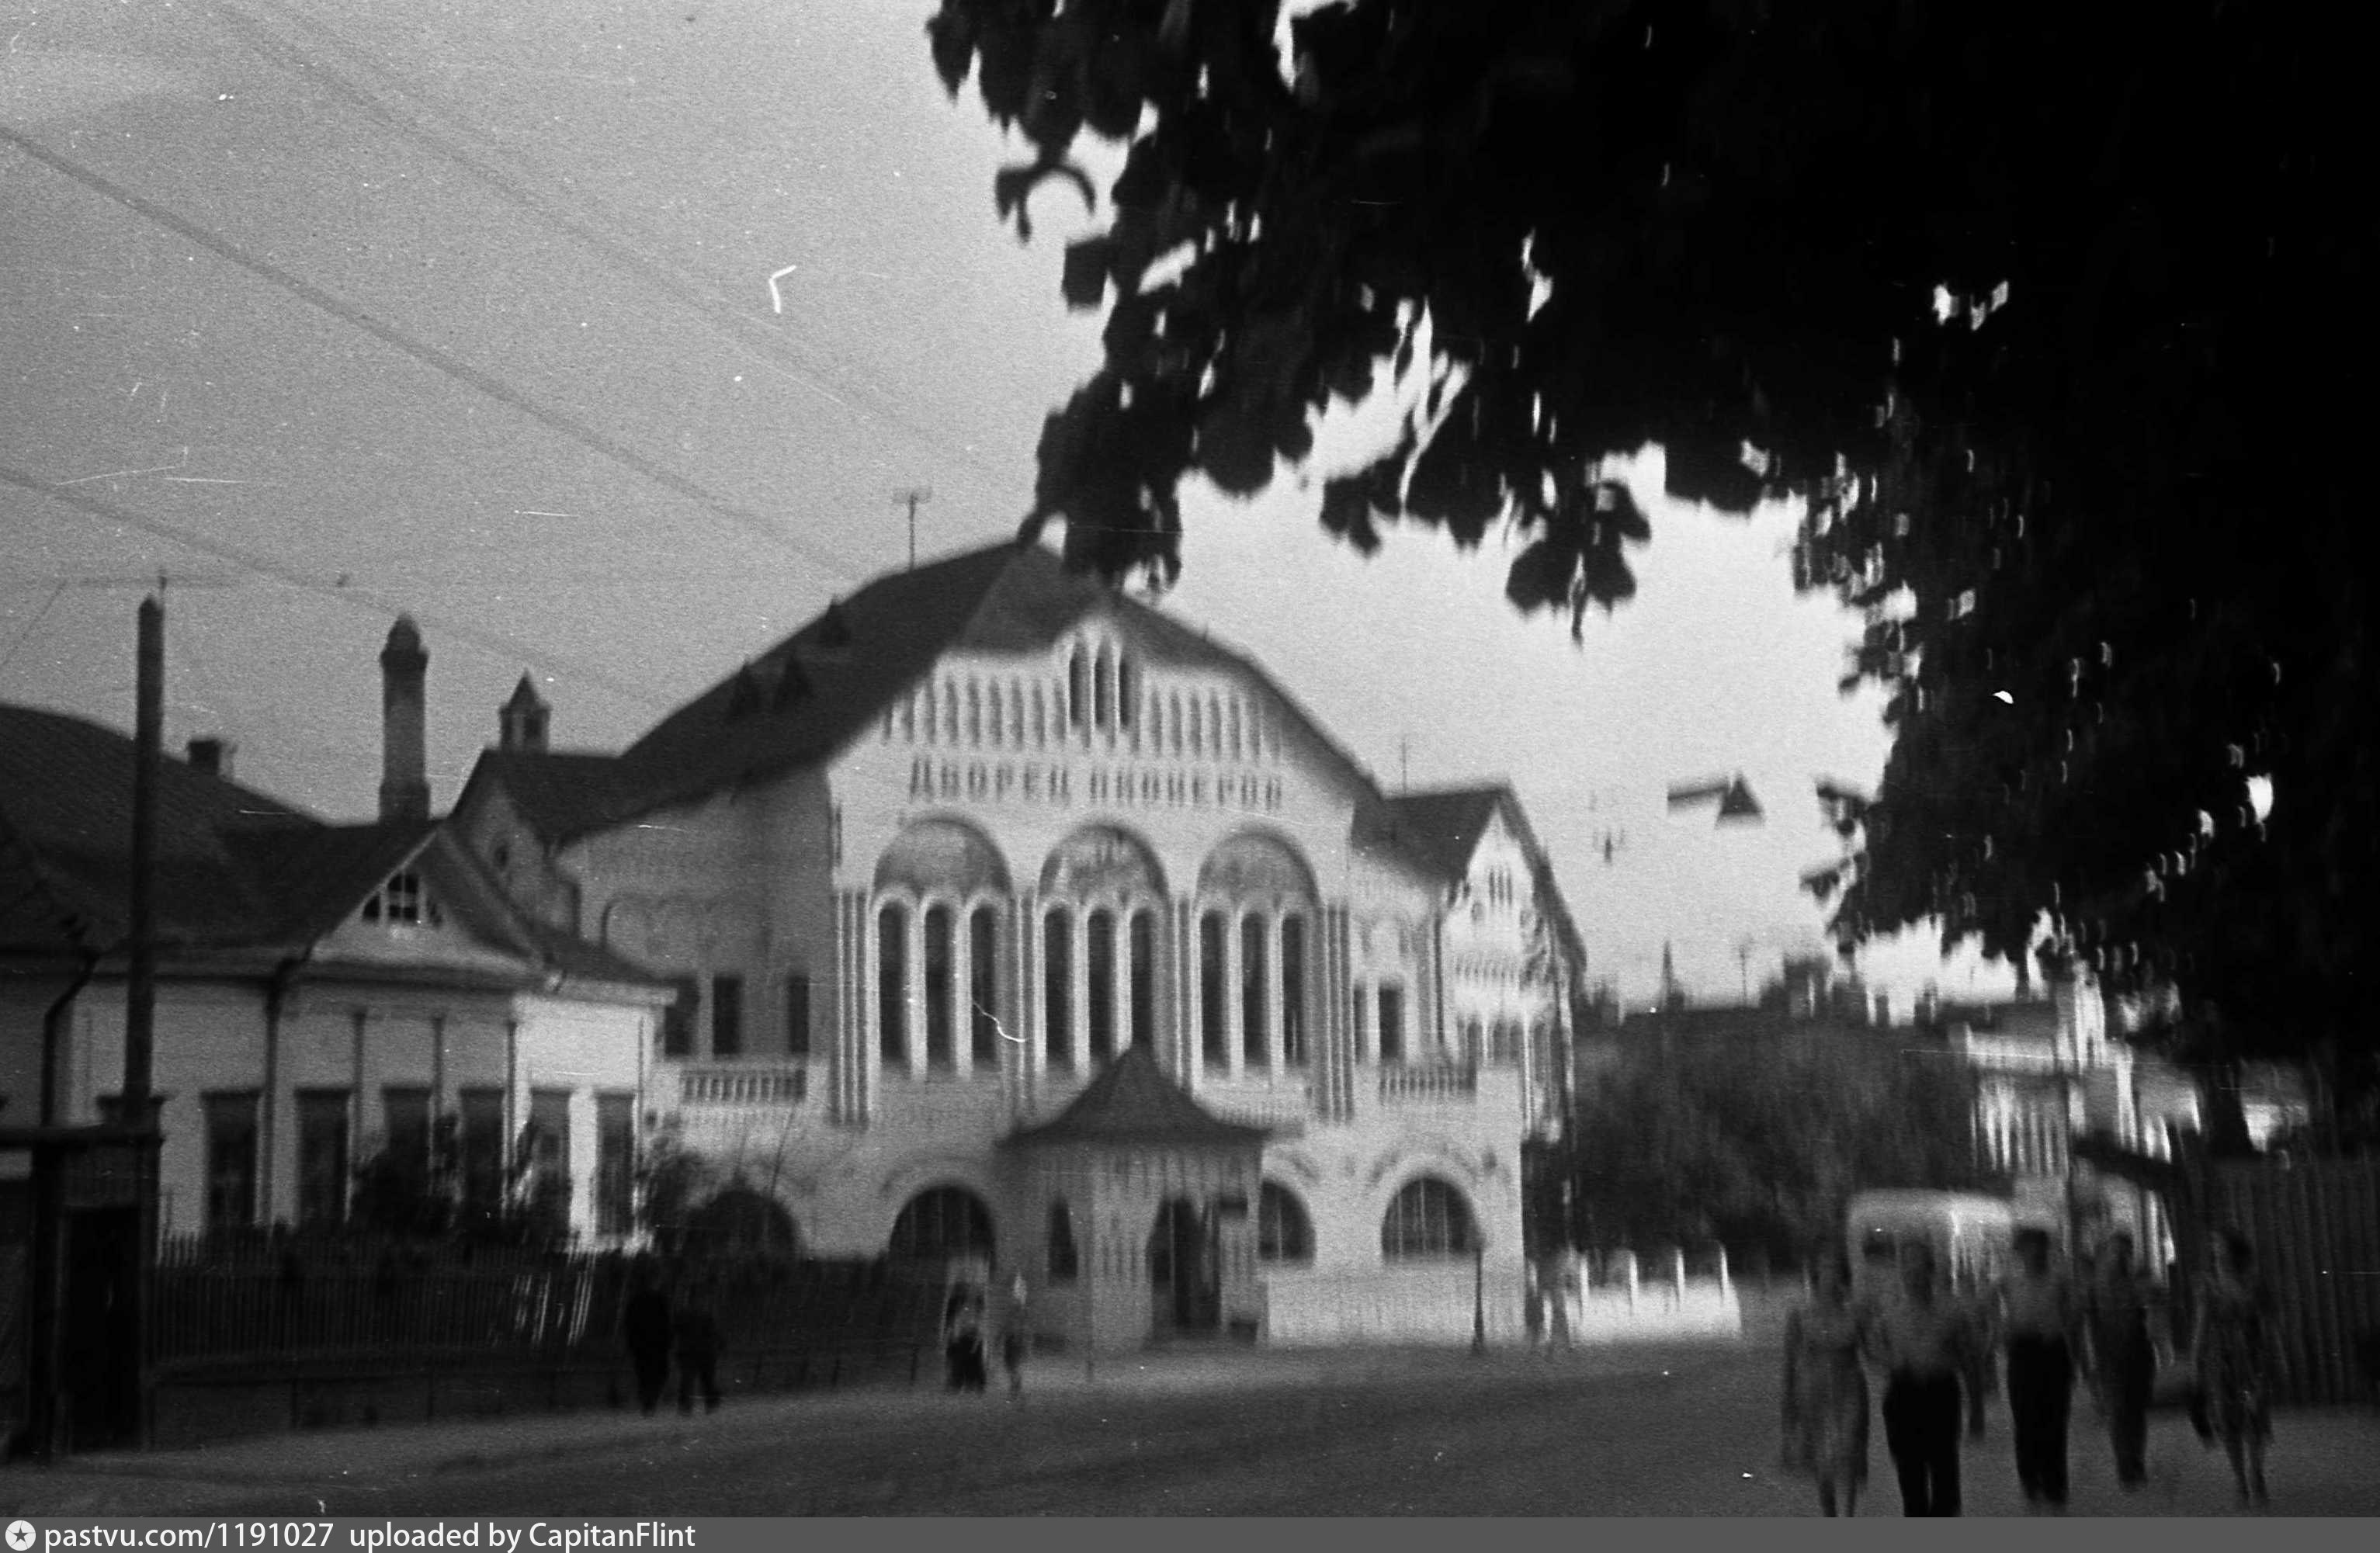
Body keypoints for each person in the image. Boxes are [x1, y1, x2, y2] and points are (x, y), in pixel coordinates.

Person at [1864, 1241, 1989, 1516]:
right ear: (1901, 1271)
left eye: (1920, 1263)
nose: (1914, 1270)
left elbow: (1970, 1357)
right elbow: (1872, 1350)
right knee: (1909, 1469)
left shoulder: (1952, 1312)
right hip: (1903, 1394)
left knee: (1944, 1465)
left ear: (1931, 1270)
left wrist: (1977, 1408)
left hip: (1940, 1393)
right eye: (1908, 1263)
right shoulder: (1888, 1314)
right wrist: (1889, 1362)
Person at [1994, 1227, 2085, 1512]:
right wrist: (2002, 1332)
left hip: (2052, 1351)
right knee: (2025, 1418)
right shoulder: (2008, 1280)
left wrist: (2072, 1347)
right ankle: (2030, 1477)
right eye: (2028, 1248)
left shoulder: (2062, 1279)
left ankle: (2055, 1482)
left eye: (2039, 1247)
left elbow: (2074, 1315)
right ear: (2019, 1252)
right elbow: (1988, 1308)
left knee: (2055, 1418)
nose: (2034, 1253)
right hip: (2023, 1351)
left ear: (2047, 1249)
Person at [1779, 1246, 1870, 1517]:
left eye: (1834, 1269)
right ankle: (1829, 1513)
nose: (1829, 1274)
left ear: (1842, 1276)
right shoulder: (1799, 1315)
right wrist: (1788, 1399)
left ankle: (1850, 1512)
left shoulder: (1855, 1313)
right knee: (1822, 1456)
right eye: (1823, 1268)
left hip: (1849, 1387)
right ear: (1815, 1275)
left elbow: (1874, 1350)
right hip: (1812, 1389)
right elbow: (1789, 1359)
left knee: (1850, 1446)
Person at [2192, 1229, 2278, 1506]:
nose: (2217, 1250)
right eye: (2214, 1245)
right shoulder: (2208, 1283)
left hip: (2253, 1358)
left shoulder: (2255, 1283)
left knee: (2255, 1418)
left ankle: (2256, 1473)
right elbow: (2202, 1325)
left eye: (2222, 1245)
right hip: (2221, 1361)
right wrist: (2196, 1360)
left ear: (2235, 1250)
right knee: (2229, 1424)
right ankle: (2239, 1479)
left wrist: (2274, 1355)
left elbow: (2268, 1325)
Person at [2084, 1230, 2160, 1490]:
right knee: (2118, 1411)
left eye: (2124, 1251)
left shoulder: (2139, 1282)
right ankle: (2125, 1465)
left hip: (2138, 1353)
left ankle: (2136, 1460)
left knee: (2136, 1411)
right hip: (2110, 1355)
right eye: (2115, 1251)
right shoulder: (2095, 1287)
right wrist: (2091, 1359)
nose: (2119, 1257)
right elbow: (2088, 1324)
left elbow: (2153, 1314)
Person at [620, 1260, 674, 1416]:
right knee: (658, 1372)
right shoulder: (659, 1299)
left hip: (641, 1342)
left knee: (644, 1372)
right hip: (657, 1342)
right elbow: (666, 1321)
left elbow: (629, 1321)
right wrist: (668, 1340)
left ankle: (647, 1401)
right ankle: (650, 1401)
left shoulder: (636, 1299)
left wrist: (630, 1340)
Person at [673, 1277, 723, 1415]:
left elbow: (676, 1330)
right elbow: (713, 1332)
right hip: (704, 1351)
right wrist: (720, 1345)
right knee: (707, 1379)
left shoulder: (683, 1313)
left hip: (688, 1351)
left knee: (687, 1380)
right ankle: (710, 1404)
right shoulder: (705, 1313)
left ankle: (686, 1406)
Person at [944, 1285, 988, 1393]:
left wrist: (975, 1344)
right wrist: (956, 1336)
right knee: (961, 1363)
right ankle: (959, 1384)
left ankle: (968, 1385)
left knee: (971, 1364)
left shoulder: (978, 1315)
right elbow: (957, 1325)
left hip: (970, 1341)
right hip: (964, 1340)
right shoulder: (964, 1312)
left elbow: (979, 1330)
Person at [1000, 1273, 1030, 1401]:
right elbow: (1007, 1325)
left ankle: (1016, 1391)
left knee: (1013, 1366)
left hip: (1015, 1340)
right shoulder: (1015, 1311)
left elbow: (1014, 1326)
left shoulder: (1018, 1311)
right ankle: (1017, 1390)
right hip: (1013, 1340)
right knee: (1011, 1366)